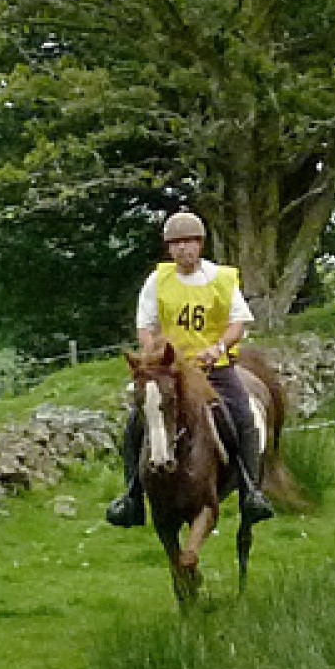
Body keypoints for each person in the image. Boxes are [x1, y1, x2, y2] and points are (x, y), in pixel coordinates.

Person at [106, 210, 274, 530]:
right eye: (176, 243)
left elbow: (237, 324)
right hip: (171, 371)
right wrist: (152, 354)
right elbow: (146, 326)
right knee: (135, 424)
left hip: (215, 368)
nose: (183, 249)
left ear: (200, 245)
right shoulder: (158, 281)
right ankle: (131, 496)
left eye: (190, 242)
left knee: (243, 416)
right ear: (169, 249)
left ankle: (252, 491)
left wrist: (218, 347)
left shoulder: (222, 279)